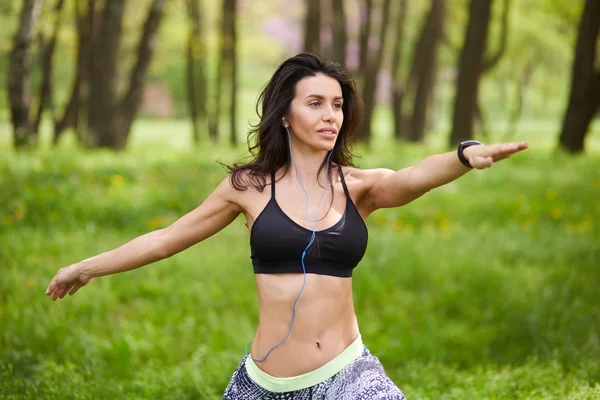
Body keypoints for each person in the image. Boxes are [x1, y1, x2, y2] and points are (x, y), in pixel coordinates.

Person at [46, 53, 528, 399]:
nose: (331, 116)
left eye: (337, 105)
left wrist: (465, 155)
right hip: (263, 383)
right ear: (285, 114)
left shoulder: (358, 186)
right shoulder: (247, 187)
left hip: (347, 375)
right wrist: (86, 267)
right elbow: (166, 239)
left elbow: (411, 177)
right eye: (315, 103)